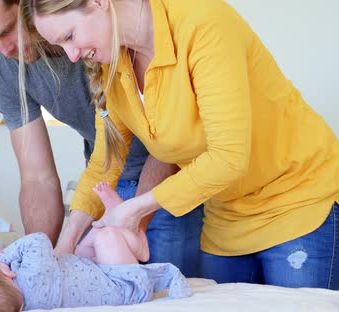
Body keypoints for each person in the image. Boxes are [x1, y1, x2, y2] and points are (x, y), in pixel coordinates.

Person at [20, 0, 339, 289]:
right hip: (226, 218)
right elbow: (105, 165)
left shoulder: (203, 24)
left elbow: (228, 158)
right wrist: (64, 248)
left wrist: (134, 210)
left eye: (69, 36)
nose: (71, 55)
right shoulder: (115, 66)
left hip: (297, 201)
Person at [0, 0, 205, 277]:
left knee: (170, 292)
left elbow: (169, 146)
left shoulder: (108, 33)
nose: (4, 50)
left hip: (166, 180)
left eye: (7, 30)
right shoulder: (7, 72)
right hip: (101, 185)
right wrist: (37, 261)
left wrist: (135, 222)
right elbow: (38, 178)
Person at [0, 228, 190, 310]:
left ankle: (116, 222)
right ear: (5, 274)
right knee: (105, 235)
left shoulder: (25, 303)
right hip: (122, 284)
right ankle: (139, 246)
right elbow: (39, 239)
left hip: (87, 270)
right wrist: (5, 257)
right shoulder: (31, 276)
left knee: (86, 243)